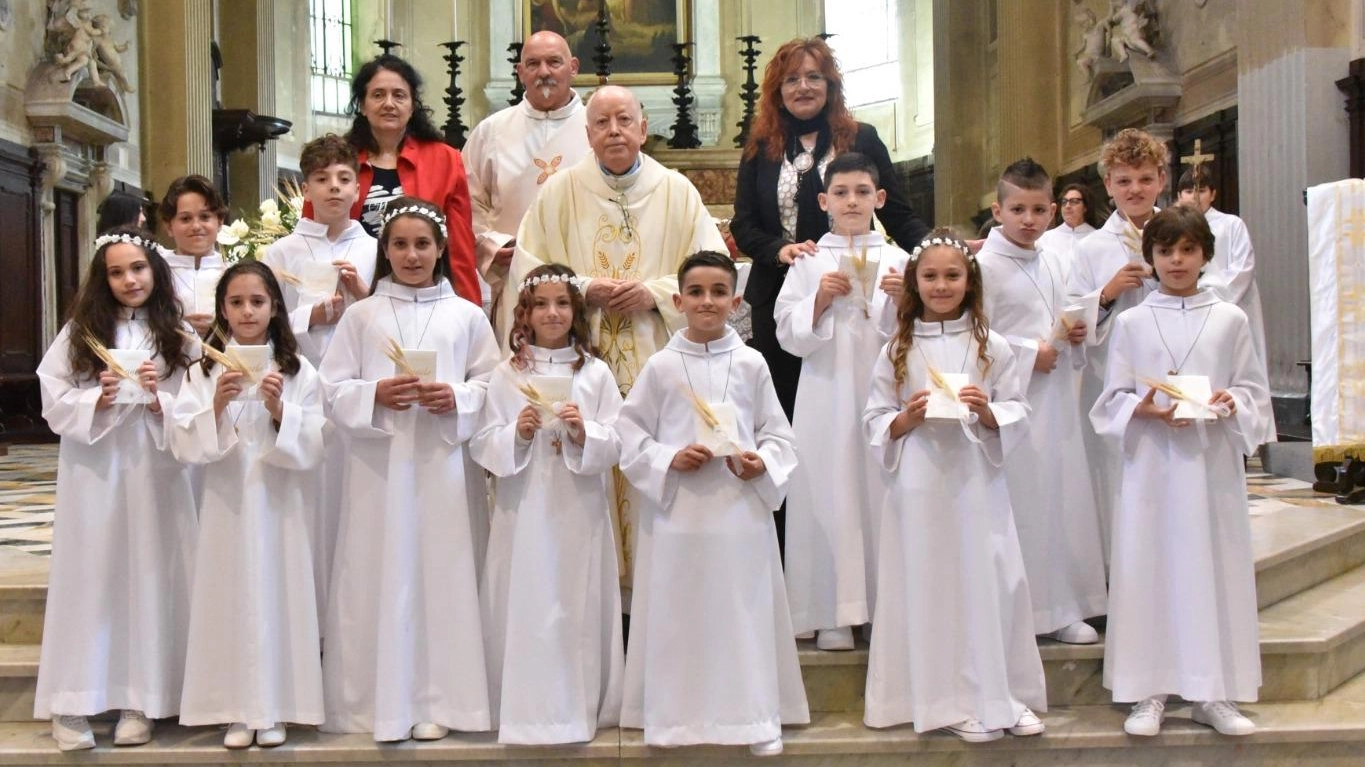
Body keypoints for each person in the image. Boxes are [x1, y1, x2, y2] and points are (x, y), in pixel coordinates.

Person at [505, 84, 727, 590]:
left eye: (624, 120)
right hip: (584, 360)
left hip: (660, 361)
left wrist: (655, 294)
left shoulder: (677, 192)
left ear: (643, 128)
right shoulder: (559, 192)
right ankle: (600, 600)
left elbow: (715, 273)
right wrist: (583, 287)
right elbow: (528, 269)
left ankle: (655, 596)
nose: (614, 132)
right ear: (587, 134)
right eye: (602, 123)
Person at [318, 197, 499, 742]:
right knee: (380, 574)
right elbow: (328, 390)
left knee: (444, 576)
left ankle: (444, 698)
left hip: (444, 469)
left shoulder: (467, 315)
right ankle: (377, 701)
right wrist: (374, 393)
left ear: (442, 249)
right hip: (379, 471)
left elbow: (493, 385)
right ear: (385, 250)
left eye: (423, 244)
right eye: (400, 244)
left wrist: (458, 397)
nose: (412, 254)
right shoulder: (362, 315)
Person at [615, 252, 809, 757]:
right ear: (677, 301)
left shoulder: (752, 363)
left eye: (718, 292)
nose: (707, 301)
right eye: (696, 292)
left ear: (736, 301)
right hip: (679, 517)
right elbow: (629, 435)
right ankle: (675, 721)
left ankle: (752, 717)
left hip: (738, 513)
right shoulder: (660, 366)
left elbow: (778, 436)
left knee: (741, 614)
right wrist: (667, 457)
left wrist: (760, 463)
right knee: (679, 616)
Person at [1090, 206, 1270, 737]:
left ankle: (1212, 692)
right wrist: (1141, 408)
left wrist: (1231, 401)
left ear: (1205, 256)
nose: (1176, 260)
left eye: (1187, 250)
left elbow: (1254, 390)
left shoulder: (1230, 319)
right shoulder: (1131, 321)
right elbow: (1110, 400)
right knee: (1149, 568)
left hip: (1209, 467)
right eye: (1165, 251)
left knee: (1210, 569)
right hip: (1152, 469)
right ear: (1150, 257)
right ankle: (1149, 691)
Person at [861, 229, 1046, 742]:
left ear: (970, 282)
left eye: (952, 275)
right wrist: (904, 419)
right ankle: (946, 700)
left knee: (991, 579)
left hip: (976, 481)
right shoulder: (896, 348)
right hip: (920, 484)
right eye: (930, 276)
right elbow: (874, 418)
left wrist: (989, 412)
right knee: (932, 583)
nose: (941, 285)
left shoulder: (994, 346)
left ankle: (1001, 693)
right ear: (914, 285)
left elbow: (1018, 410)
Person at [34, 227, 198, 751]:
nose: (130, 279)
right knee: (91, 575)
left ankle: (140, 698)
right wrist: (97, 400)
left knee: (150, 572)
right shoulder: (80, 333)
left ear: (156, 270)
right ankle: (72, 701)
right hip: (96, 472)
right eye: (117, 271)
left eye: (138, 268)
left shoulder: (180, 337)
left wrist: (157, 400)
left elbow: (198, 409)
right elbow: (52, 396)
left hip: (156, 471)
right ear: (102, 280)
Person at [731, 36, 928, 422]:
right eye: (791, 80)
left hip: (857, 291)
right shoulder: (759, 146)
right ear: (778, 91)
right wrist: (778, 249)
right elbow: (744, 224)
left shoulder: (861, 137)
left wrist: (939, 249)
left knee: (858, 401)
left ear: (830, 85)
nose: (802, 87)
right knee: (787, 409)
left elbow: (900, 216)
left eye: (813, 77)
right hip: (779, 294)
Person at [172, 261, 326, 749]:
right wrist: (215, 404)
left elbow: (318, 439)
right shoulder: (204, 370)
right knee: (229, 593)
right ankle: (236, 708)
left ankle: (276, 705)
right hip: (226, 502)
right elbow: (181, 440)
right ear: (222, 309)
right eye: (236, 302)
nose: (246, 311)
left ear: (275, 306)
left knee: (280, 592)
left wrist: (283, 410)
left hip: (280, 502)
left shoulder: (298, 369)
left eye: (257, 301)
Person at [470, 263, 625, 745]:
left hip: (578, 508)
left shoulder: (595, 373)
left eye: (562, 304)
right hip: (524, 506)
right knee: (527, 597)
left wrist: (585, 432)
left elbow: (619, 440)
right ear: (525, 313)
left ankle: (577, 706)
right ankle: (522, 708)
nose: (552, 313)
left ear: (576, 311)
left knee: (574, 601)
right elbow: (482, 442)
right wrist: (515, 434)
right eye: (541, 304)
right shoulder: (505, 374)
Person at [774, 152, 907, 650]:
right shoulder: (810, 260)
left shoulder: (901, 261)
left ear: (880, 199)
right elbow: (786, 332)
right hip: (826, 394)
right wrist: (819, 301)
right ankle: (831, 609)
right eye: (843, 193)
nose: (853, 202)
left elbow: (916, 335)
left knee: (880, 491)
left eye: (863, 192)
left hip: (882, 393)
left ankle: (881, 605)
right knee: (828, 490)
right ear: (824, 201)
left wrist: (905, 300)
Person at [979, 159, 1107, 644]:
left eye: (1038, 210)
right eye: (1018, 209)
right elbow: (975, 335)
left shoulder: (1055, 258)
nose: (1028, 220)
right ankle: (1026, 612)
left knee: (1061, 496)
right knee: (1025, 501)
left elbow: (1068, 310)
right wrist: (1032, 353)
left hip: (1057, 398)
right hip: (1014, 400)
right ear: (999, 210)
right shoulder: (984, 266)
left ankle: (1065, 603)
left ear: (1053, 211)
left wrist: (1077, 328)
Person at [262, 134, 378, 623]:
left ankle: (350, 614)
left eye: (344, 179)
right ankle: (304, 614)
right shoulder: (282, 252)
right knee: (307, 500)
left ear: (359, 188)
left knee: (352, 504)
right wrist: (311, 316)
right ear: (306, 185)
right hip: (299, 384)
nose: (334, 188)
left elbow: (391, 317)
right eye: (322, 179)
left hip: (355, 385)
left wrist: (361, 293)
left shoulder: (375, 248)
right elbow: (260, 321)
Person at [309, 54, 480, 305]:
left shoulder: (445, 159)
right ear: (362, 106)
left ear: (412, 106)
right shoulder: (337, 160)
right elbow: (313, 233)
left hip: (423, 294)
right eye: (378, 95)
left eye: (399, 95)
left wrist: (469, 310)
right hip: (347, 294)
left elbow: (459, 248)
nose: (389, 103)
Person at [1068, 128, 1164, 562]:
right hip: (1109, 375)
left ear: (1161, 178)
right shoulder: (1091, 248)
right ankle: (1116, 570)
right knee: (1114, 473)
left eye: (1145, 178)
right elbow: (1071, 316)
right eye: (1124, 181)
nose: (1135, 189)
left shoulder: (1179, 234)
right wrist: (1105, 294)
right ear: (1107, 185)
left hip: (1168, 369)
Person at [464, 31, 589, 324]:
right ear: (521, 73)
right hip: (515, 276)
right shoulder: (491, 131)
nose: (543, 72)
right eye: (533, 64)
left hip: (581, 276)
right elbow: (466, 202)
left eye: (553, 62)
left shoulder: (595, 127)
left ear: (573, 67)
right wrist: (494, 246)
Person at [1177, 165, 1276, 445]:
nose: (1194, 197)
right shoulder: (1177, 227)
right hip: (1189, 308)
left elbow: (1243, 268)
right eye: (1187, 190)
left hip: (1229, 307)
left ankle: (1247, 428)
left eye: (1202, 190)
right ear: (1179, 195)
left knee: (1237, 370)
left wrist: (1214, 302)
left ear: (1213, 194)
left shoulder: (1231, 224)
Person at [159, 175, 228, 335]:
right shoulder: (157, 273)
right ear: (169, 226)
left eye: (205, 217)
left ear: (219, 222)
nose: (196, 226)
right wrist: (177, 328)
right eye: (185, 219)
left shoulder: (233, 273)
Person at [1036, 182, 1104, 271]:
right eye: (1064, 202)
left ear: (1085, 207)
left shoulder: (1098, 238)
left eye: (1074, 202)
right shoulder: (1045, 238)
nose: (1067, 206)